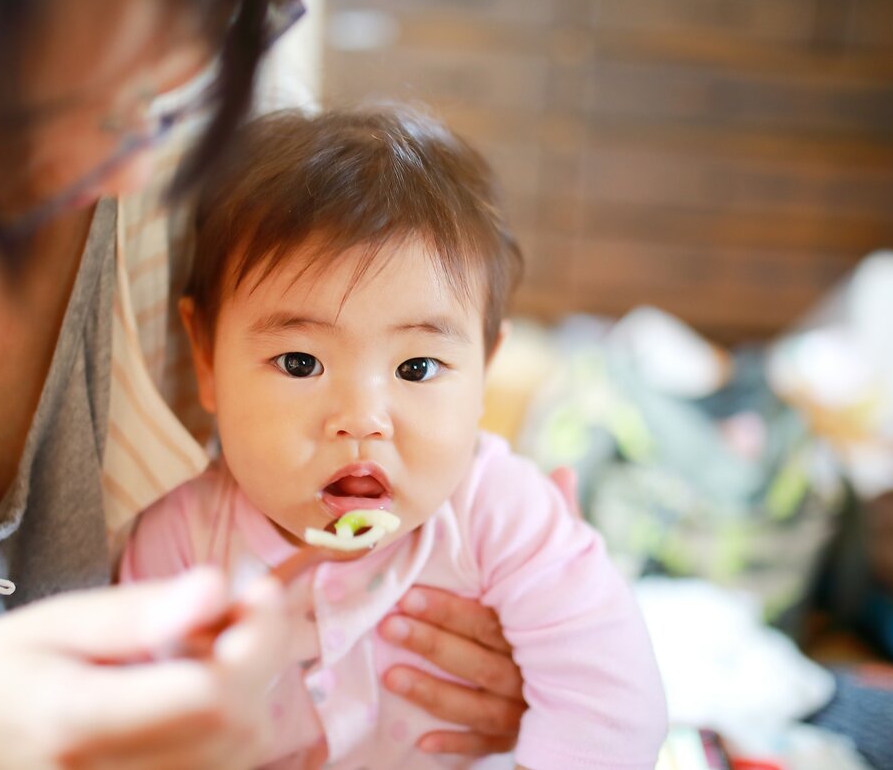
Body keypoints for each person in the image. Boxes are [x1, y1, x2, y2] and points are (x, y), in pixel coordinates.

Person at [0, 0, 533, 767]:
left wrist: (500, 668)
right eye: (39, 103)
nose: (131, 172)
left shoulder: (195, 145)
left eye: (159, 94)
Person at [120, 107, 668, 768]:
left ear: (484, 375)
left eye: (416, 368)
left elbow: (611, 702)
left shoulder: (501, 513)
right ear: (206, 358)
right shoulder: (182, 544)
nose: (361, 417)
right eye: (301, 362)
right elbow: (132, 735)